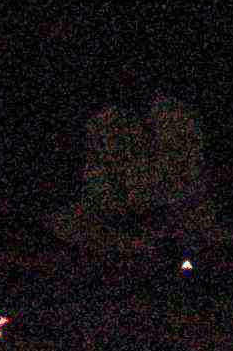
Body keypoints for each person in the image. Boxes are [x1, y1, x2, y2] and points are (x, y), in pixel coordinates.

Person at [51, 54, 222, 263]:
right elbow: (99, 186)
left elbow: (192, 180)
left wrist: (164, 211)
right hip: (127, 222)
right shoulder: (107, 123)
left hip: (174, 218)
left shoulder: (174, 117)